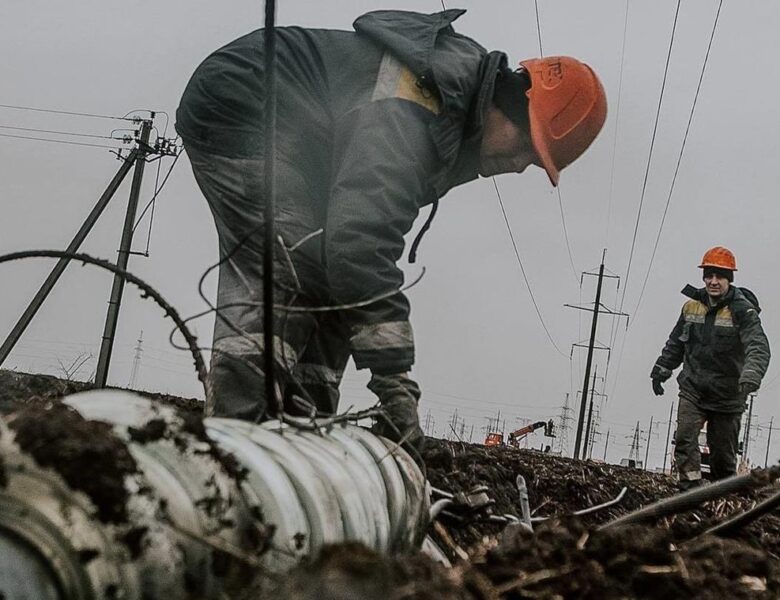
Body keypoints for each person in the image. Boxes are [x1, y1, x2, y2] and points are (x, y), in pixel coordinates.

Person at [175, 9, 607, 452]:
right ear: (509, 106)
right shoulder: (415, 104)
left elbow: (353, 261)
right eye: (526, 148)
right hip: (246, 102)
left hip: (306, 137)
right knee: (291, 260)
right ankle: (232, 446)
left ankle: (303, 439)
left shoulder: (448, 126)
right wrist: (395, 383)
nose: (518, 167)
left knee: (331, 278)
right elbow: (360, 243)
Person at [651, 247, 770, 489]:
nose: (713, 282)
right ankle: (689, 489)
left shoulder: (743, 311)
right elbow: (676, 343)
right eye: (709, 276)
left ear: (729, 280)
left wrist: (751, 374)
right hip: (694, 388)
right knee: (684, 438)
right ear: (704, 277)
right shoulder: (691, 308)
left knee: (723, 458)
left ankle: (721, 496)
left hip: (728, 395)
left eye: (720, 277)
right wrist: (662, 369)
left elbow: (758, 347)